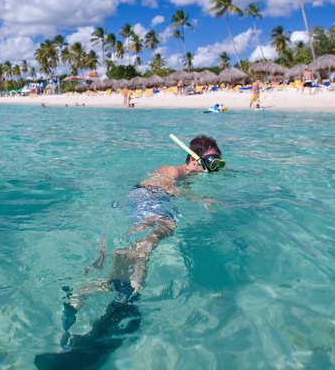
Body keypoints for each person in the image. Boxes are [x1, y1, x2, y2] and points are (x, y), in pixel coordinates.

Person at [38, 135, 225, 365]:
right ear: (194, 159)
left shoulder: (186, 177)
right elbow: (157, 185)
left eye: (220, 162)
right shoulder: (172, 170)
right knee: (141, 258)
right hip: (152, 204)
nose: (217, 167)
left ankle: (80, 294)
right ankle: (116, 311)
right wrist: (195, 198)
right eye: (213, 161)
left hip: (150, 205)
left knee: (126, 265)